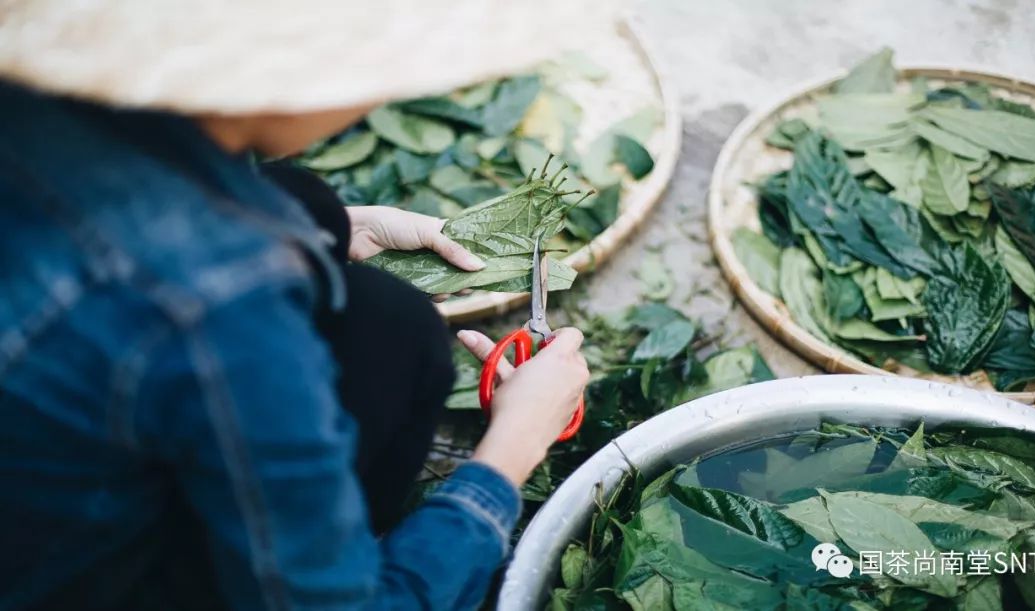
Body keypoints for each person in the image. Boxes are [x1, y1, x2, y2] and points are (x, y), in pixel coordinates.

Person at [0, 1, 611, 609]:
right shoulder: (219, 310)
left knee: (390, 324)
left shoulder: (36, 109)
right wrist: (514, 446)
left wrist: (332, 227)